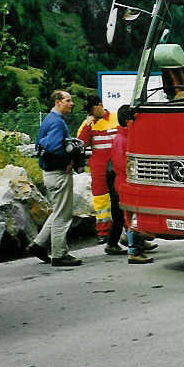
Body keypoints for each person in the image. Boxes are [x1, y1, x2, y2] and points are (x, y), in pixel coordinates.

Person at [27, 90, 81, 267]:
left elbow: (40, 145)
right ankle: (59, 254)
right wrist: (67, 161)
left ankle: (38, 245)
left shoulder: (48, 120)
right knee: (63, 216)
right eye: (68, 100)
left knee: (58, 210)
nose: (71, 103)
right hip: (58, 173)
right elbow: (54, 147)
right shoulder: (57, 123)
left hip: (49, 174)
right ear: (58, 102)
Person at [110, 105, 153, 264]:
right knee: (134, 218)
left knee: (133, 217)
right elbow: (122, 164)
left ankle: (134, 246)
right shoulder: (123, 139)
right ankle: (134, 251)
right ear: (129, 121)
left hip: (125, 182)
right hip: (125, 183)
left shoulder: (123, 137)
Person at [77, 95, 118, 244]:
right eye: (87, 111)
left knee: (122, 198)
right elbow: (81, 145)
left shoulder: (116, 117)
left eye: (91, 109)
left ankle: (130, 231)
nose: (90, 113)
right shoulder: (87, 123)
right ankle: (103, 232)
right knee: (101, 200)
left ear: (100, 105)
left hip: (117, 166)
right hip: (99, 168)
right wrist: (88, 126)